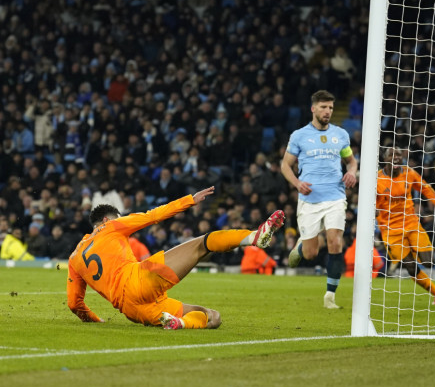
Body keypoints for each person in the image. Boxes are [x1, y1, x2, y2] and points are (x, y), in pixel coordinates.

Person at [65, 187, 285, 329]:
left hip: (133, 310)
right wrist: (189, 200)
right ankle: (254, 237)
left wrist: (96, 320)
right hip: (139, 281)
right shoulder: (111, 226)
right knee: (202, 244)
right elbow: (153, 216)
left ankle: (180, 323)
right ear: (106, 219)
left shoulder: (74, 257)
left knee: (212, 317)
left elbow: (74, 304)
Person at [281, 90, 357, 309]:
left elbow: (351, 161)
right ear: (313, 109)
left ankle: (330, 296)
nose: (328, 111)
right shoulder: (299, 136)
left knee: (335, 241)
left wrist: (352, 172)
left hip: (335, 196)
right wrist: (297, 184)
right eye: (324, 107)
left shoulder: (340, 135)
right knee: (310, 253)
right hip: (310, 198)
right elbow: (285, 165)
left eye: (331, 108)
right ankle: (300, 247)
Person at [375, 146, 435, 305]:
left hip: (411, 224)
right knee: (411, 267)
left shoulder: (409, 173)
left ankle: (411, 250)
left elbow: (427, 190)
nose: (396, 157)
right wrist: (373, 211)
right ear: (385, 159)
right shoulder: (377, 179)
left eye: (399, 154)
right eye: (392, 155)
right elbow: (371, 204)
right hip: (390, 230)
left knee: (429, 262)